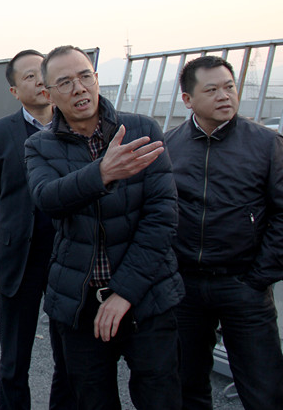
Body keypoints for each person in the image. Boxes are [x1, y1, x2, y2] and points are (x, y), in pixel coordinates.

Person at [24, 45, 184, 410]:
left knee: (161, 397)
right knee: (91, 399)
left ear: (96, 79)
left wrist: (124, 293)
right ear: (48, 94)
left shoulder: (141, 129)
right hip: (79, 303)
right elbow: (47, 199)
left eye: (85, 76)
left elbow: (162, 217)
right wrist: (102, 173)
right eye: (65, 82)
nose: (79, 88)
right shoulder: (39, 146)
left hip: (147, 297)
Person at [165, 56, 283, 410]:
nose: (224, 96)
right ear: (188, 99)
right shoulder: (169, 145)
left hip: (243, 284)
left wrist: (259, 277)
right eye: (212, 90)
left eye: (229, 87)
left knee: (264, 391)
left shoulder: (266, 143)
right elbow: (158, 214)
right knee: (185, 386)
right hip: (185, 287)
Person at [0, 49, 73, 409]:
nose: (40, 81)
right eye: (29, 76)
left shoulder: (75, 127)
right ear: (15, 91)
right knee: (15, 360)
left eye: (43, 72)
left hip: (69, 256)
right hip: (19, 258)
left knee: (70, 357)